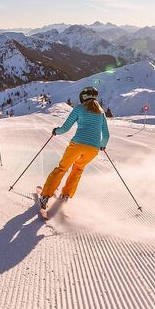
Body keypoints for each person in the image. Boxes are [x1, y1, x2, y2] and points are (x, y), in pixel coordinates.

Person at [39, 86, 109, 216]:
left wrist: (56, 131)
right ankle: (66, 195)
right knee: (78, 169)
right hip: (93, 149)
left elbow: (65, 128)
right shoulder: (101, 113)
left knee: (62, 168)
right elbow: (106, 135)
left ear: (83, 96)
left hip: (78, 144)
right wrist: (102, 145)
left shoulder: (79, 109)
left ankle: (45, 195)